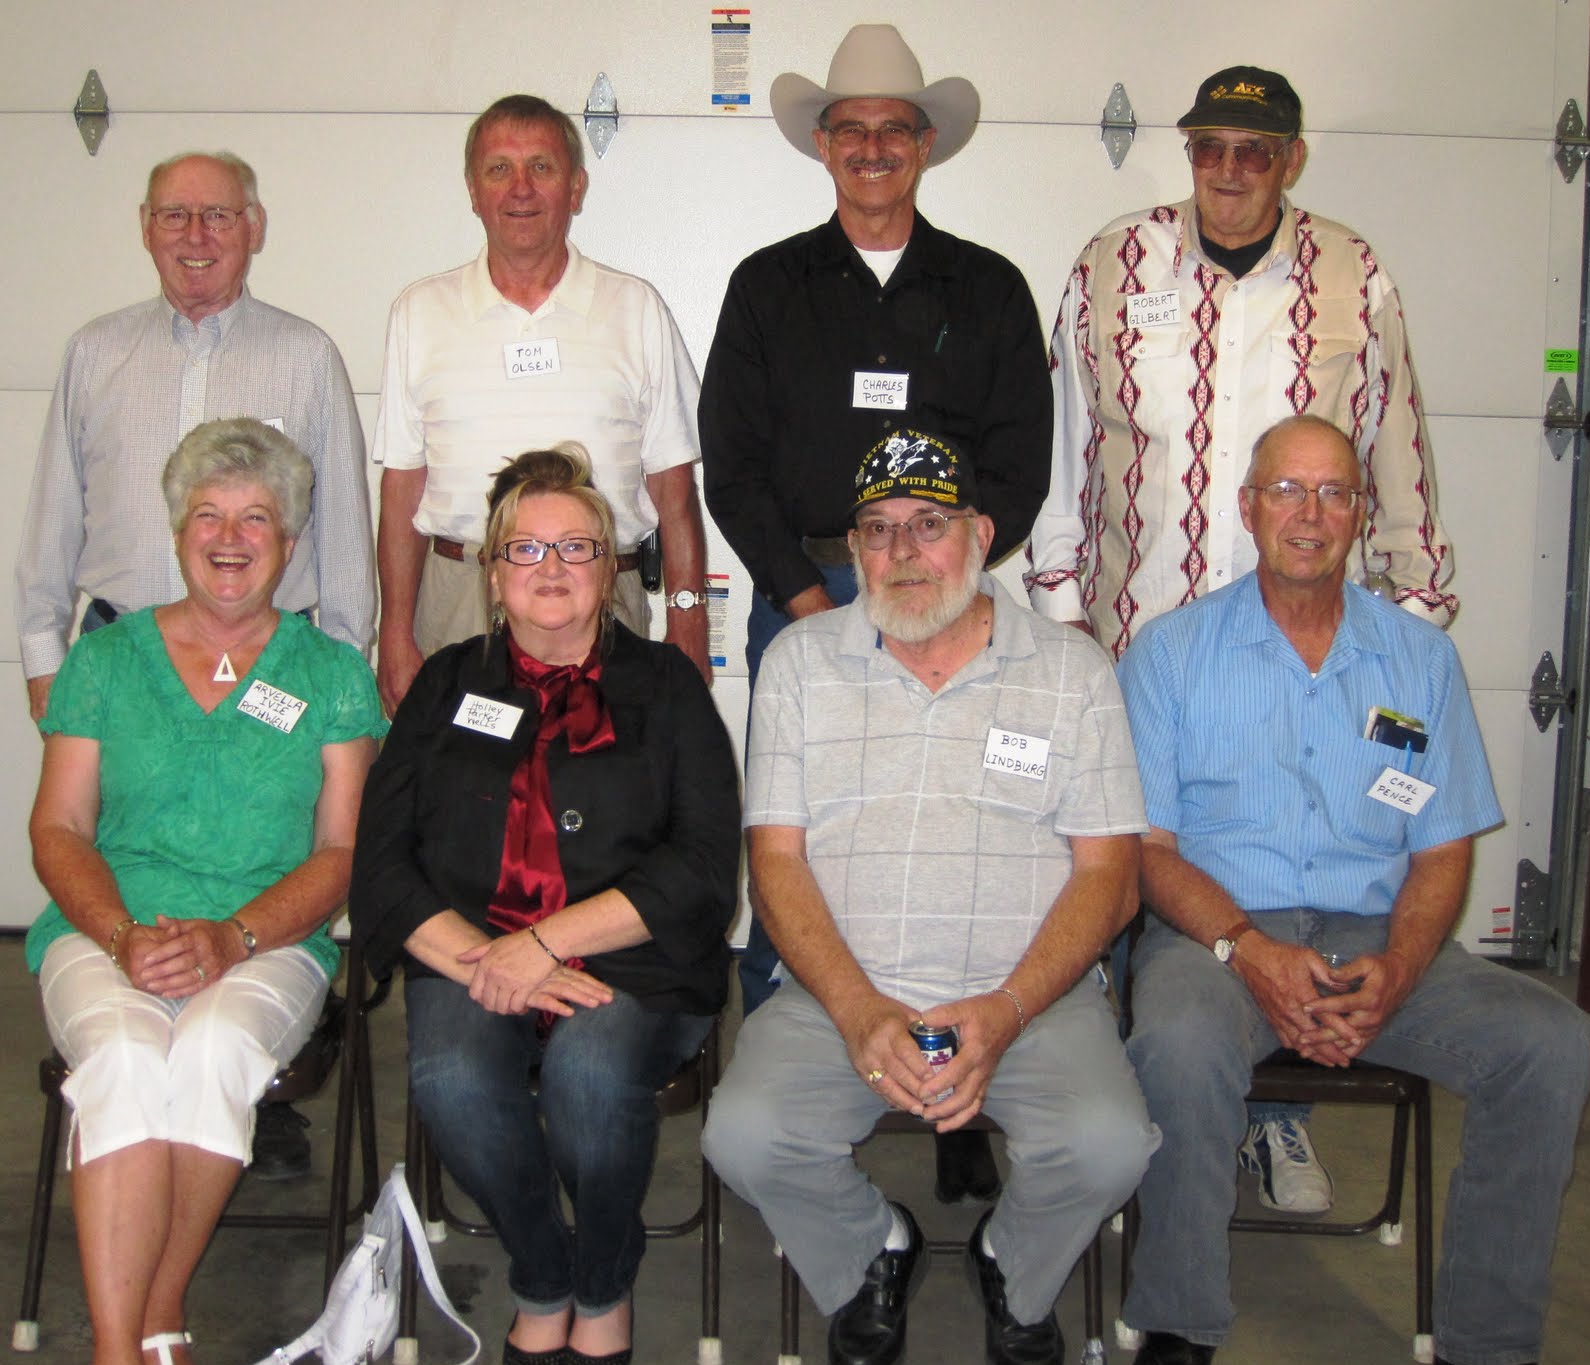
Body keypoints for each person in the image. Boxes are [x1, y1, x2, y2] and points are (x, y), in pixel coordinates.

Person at [1026, 64, 1458, 1211]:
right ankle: (1123, 1110)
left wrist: (1412, 626)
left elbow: (1396, 458)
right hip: (1140, 645)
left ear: (1291, 161)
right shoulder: (1109, 268)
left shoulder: (1354, 276)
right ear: (1188, 152)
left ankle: (1270, 1115)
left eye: (1254, 151)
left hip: (1303, 649)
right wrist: (1064, 626)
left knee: (1290, 870)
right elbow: (1063, 460)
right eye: (1210, 146)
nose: (1228, 170)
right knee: (1118, 874)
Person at [1115, 415, 1590, 1365]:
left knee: (1549, 1041)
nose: (1310, 515)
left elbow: (1440, 848)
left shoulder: (1416, 660)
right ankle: (1177, 1324)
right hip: (1218, 933)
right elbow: (1148, 850)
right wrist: (1249, 952)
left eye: (1334, 495)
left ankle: (1486, 1346)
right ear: (1247, 509)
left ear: (1359, 518)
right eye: (1287, 491)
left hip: (1377, 933)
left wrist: (1399, 969)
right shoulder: (1170, 653)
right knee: (1178, 1037)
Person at [703, 428, 1158, 1365]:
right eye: (876, 529)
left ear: (983, 535)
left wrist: (1009, 1008)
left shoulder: (1073, 673)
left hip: (1031, 998)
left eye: (929, 525)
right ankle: (875, 1245)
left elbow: (1110, 877)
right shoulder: (797, 665)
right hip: (841, 996)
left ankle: (1015, 1272)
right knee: (741, 1132)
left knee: (1112, 1141)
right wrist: (860, 1008)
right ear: (852, 549)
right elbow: (774, 861)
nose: (903, 552)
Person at [699, 22, 1051, 1198]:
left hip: (947, 596)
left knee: (953, 839)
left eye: (891, 129)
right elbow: (730, 463)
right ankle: (786, 1088)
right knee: (796, 836)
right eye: (846, 130)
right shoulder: (766, 286)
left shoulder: (989, 288)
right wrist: (805, 604)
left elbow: (1020, 464)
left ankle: (959, 1108)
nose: (869, 148)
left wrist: (938, 584)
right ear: (820, 145)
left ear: (926, 142)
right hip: (801, 595)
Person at [351, 446, 739, 1365]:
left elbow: (701, 866)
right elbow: (380, 864)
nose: (552, 568)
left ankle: (604, 1279)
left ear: (611, 569)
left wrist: (553, 940)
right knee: (447, 1071)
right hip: (472, 951)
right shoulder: (443, 684)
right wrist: (495, 956)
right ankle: (544, 1266)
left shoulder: (669, 688)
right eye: (526, 550)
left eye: (578, 546)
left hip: (633, 960)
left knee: (591, 1072)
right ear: (491, 574)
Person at [16, 149, 376, 1180]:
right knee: (124, 850)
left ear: (254, 226)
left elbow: (342, 531)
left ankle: (258, 1064)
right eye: (175, 216)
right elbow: (50, 525)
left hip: (276, 664)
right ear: (144, 226)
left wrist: (338, 681)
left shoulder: (305, 355)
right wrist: (49, 666)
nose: (196, 236)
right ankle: (144, 1072)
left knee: (261, 862)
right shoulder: (97, 352)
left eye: (218, 216)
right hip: (123, 654)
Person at [26, 419, 385, 1365]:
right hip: (104, 931)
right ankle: (116, 1349)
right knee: (128, 1052)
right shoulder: (103, 661)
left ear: (289, 539)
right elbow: (56, 828)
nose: (230, 539)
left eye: (256, 520)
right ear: (178, 531)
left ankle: (160, 1306)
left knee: (218, 1045)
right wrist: (116, 933)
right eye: (209, 518)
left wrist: (234, 937)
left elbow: (339, 855)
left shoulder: (329, 675)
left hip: (269, 939)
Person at [373, 94, 711, 713]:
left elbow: (673, 487)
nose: (520, 188)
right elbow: (402, 485)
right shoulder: (420, 312)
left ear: (577, 187)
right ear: (473, 190)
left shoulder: (635, 308)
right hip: (458, 606)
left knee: (611, 796)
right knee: (467, 801)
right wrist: (393, 631)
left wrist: (687, 617)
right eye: (499, 169)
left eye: (542, 167)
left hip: (604, 598)